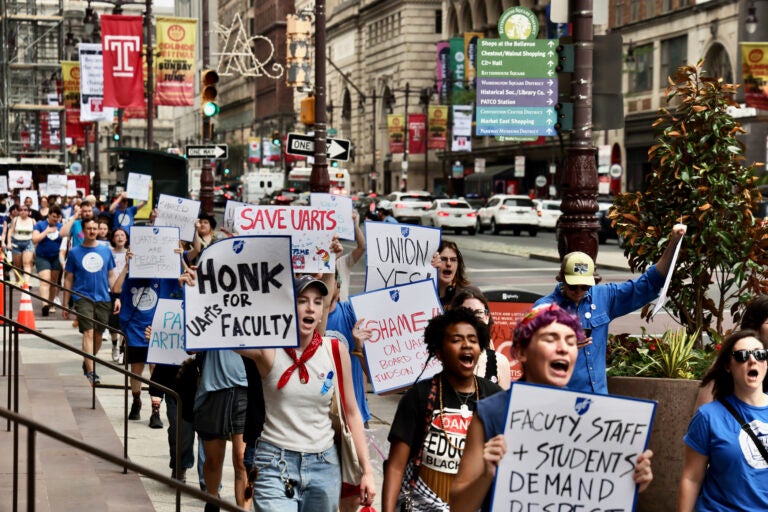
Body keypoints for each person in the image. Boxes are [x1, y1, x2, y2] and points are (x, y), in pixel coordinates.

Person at [450, 303, 655, 512]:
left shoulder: (596, 419)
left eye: (570, 341)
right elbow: (458, 507)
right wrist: (486, 475)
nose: (563, 348)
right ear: (521, 352)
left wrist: (629, 482)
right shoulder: (491, 413)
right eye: (550, 339)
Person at [236, 274, 376, 512]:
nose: (310, 307)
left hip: (324, 465)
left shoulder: (334, 350)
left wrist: (367, 471)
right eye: (302, 300)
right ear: (289, 306)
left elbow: (352, 413)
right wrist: (198, 290)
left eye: (317, 302)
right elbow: (224, 334)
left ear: (323, 312)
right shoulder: (269, 349)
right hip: (274, 463)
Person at [534, 224, 687, 394]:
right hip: (559, 399)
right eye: (573, 286)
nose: (579, 291)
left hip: (597, 397)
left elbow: (650, 282)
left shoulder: (603, 296)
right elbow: (530, 356)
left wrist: (673, 242)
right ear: (561, 278)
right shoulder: (543, 309)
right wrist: (563, 346)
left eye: (584, 286)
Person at [382, 307, 502, 512]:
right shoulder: (418, 396)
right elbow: (395, 466)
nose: (466, 345)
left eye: (473, 340)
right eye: (456, 340)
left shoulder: (494, 396)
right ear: (439, 352)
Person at [678, 329, 768, 511]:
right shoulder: (708, 416)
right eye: (742, 356)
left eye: (759, 354)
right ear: (728, 366)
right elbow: (691, 478)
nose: (752, 360)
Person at [62, 217, 119, 385]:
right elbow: (68, 278)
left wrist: (117, 298)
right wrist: (66, 303)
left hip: (103, 297)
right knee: (89, 332)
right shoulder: (74, 253)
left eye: (95, 228)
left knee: (99, 335)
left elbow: (111, 275)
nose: (92, 231)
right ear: (83, 231)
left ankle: (87, 361)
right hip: (82, 297)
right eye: (89, 228)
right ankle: (92, 372)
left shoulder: (106, 250)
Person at [451, 286, 511, 389]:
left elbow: (504, 403)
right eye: (467, 314)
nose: (474, 320)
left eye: (479, 314)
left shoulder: (500, 362)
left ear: (487, 317)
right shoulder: (445, 359)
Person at [31, 205, 63, 316]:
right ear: (48, 215)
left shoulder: (61, 226)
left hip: (56, 257)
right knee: (45, 280)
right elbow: (35, 239)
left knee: (53, 282)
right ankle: (45, 305)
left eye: (57, 217)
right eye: (53, 216)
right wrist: (47, 231)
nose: (55, 219)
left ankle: (51, 303)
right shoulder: (40, 225)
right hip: (42, 256)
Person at [431, 239, 471, 308]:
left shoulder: (470, 294)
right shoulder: (422, 295)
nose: (449, 264)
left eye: (453, 260)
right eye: (443, 259)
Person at [336, 210, 366, 302]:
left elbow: (361, 247)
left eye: (337, 240)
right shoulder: (316, 267)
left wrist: (355, 226)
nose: (335, 243)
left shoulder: (342, 262)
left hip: (342, 312)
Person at [8, 203, 36, 280]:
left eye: (25, 210)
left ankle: (26, 282)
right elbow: (10, 231)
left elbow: (36, 232)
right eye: (21, 210)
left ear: (28, 212)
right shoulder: (15, 219)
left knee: (27, 263)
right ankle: (18, 281)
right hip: (16, 243)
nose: (23, 211)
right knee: (17, 265)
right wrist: (9, 243)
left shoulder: (32, 220)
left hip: (28, 243)